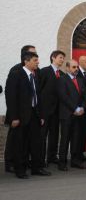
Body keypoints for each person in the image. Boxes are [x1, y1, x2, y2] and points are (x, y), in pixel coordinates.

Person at [5, 51, 51, 178]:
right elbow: (11, 97)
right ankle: (20, 170)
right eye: (35, 60)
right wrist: (14, 117)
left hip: (35, 116)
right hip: (20, 116)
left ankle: (37, 168)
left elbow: (38, 97)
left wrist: (41, 116)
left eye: (37, 60)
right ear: (26, 61)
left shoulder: (35, 75)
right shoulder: (16, 75)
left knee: (36, 143)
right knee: (20, 144)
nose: (38, 63)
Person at [4, 45, 38, 173]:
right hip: (18, 114)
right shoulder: (16, 70)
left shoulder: (35, 71)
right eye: (33, 54)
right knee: (14, 140)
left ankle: (25, 162)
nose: (36, 57)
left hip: (31, 113)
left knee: (28, 141)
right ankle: (11, 163)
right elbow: (11, 95)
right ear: (25, 57)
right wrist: (14, 116)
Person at [57, 60, 86, 171]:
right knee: (65, 139)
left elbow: (85, 95)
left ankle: (75, 161)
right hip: (67, 114)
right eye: (73, 67)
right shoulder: (62, 79)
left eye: (77, 67)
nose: (76, 69)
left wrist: (82, 107)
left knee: (76, 139)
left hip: (79, 114)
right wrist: (74, 108)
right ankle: (62, 163)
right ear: (68, 68)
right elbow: (63, 96)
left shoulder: (80, 79)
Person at [39, 50, 65, 167]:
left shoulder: (63, 75)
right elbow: (38, 91)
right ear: (53, 58)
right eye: (60, 57)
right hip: (45, 111)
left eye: (63, 58)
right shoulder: (44, 72)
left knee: (54, 135)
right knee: (42, 136)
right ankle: (40, 159)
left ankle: (52, 157)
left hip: (57, 111)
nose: (62, 60)